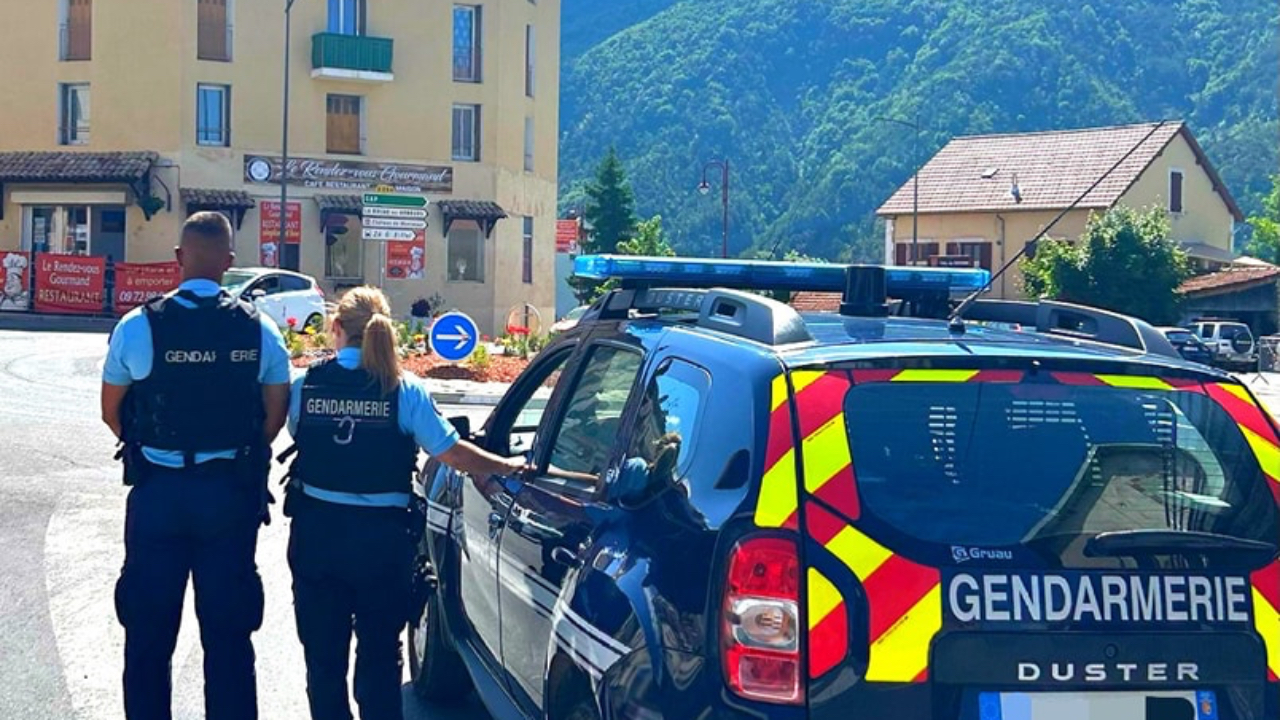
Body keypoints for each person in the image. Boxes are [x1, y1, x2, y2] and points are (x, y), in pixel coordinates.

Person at [283, 286, 526, 720]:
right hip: (382, 543)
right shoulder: (403, 390)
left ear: (336, 328)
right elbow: (452, 454)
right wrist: (508, 467)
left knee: (323, 661)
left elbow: (298, 435)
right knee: (379, 658)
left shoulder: (306, 385)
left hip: (317, 538)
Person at [99, 211, 291, 720]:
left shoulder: (139, 325)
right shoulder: (260, 330)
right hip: (228, 496)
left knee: (147, 635)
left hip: (158, 494)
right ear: (228, 264)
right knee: (229, 637)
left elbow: (111, 412)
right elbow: (274, 414)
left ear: (179, 258)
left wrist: (153, 445)